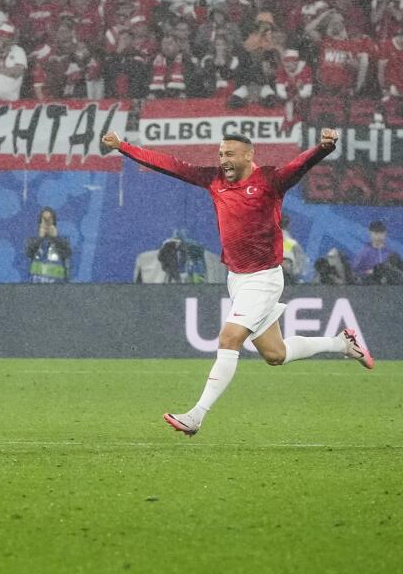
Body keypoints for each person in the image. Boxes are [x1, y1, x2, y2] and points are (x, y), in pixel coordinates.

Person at [101, 129, 374, 437]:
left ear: (248, 155)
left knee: (229, 338)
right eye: (220, 154)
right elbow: (170, 165)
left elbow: (300, 165)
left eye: (230, 154)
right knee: (276, 354)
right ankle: (341, 343)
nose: (223, 160)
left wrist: (323, 149)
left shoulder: (270, 181)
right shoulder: (215, 180)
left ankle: (196, 416)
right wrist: (122, 147)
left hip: (264, 278)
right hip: (237, 279)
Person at [25, 207, 71, 283]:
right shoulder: (32, 241)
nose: (47, 223)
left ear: (54, 222)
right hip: (35, 287)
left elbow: (67, 254)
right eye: (44, 220)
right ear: (40, 223)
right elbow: (29, 253)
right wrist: (40, 238)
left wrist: (55, 238)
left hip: (57, 288)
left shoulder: (63, 242)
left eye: (50, 219)